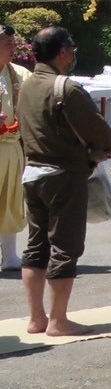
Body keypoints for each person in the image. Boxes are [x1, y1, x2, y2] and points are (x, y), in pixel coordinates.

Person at [17, 26, 111, 336]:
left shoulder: (27, 86)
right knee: (65, 247)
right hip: (63, 177)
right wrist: (105, 149)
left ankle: (37, 318)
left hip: (32, 173)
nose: (74, 52)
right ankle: (58, 320)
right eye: (72, 47)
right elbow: (102, 134)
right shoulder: (67, 89)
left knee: (36, 248)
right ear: (61, 51)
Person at [0, 23, 31, 270]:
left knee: (11, 201)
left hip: (11, 146)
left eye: (13, 43)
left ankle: (9, 256)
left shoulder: (18, 73)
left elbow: (40, 90)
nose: (13, 47)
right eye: (7, 43)